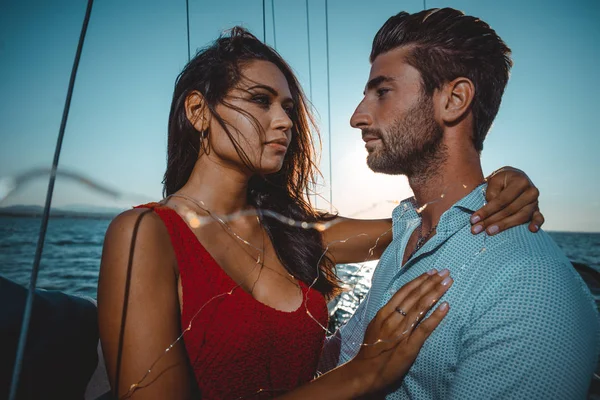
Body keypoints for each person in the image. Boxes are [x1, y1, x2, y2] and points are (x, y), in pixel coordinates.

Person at [97, 27, 543, 399]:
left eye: (288, 107)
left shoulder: (295, 231)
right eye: (260, 100)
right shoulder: (144, 235)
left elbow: (431, 223)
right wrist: (359, 375)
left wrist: (499, 185)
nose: (285, 121)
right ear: (198, 111)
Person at [321, 8, 600, 399]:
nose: (357, 116)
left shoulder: (528, 287)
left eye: (382, 92)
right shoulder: (404, 239)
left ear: (454, 100)